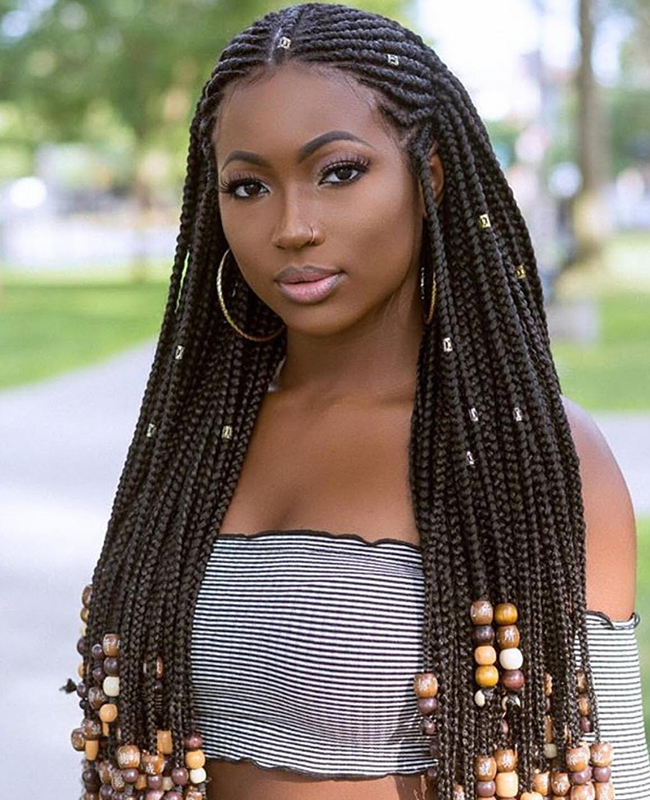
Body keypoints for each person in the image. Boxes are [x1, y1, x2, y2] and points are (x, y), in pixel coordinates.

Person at [67, 4, 650, 800]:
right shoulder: (191, 443)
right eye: (248, 186)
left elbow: (607, 772)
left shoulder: (534, 457)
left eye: (339, 171)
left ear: (430, 176)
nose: (291, 226)